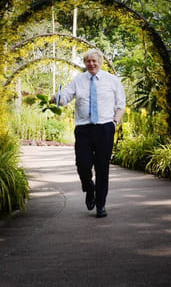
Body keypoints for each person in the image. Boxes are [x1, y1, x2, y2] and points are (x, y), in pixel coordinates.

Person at [52, 48, 125, 218]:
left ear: (100, 62)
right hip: (84, 129)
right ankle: (89, 188)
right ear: (84, 63)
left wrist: (114, 123)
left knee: (102, 168)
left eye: (94, 61)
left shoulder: (112, 80)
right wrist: (57, 98)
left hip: (105, 128)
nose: (91, 64)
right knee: (82, 165)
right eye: (88, 61)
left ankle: (100, 205)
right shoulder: (78, 80)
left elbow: (121, 104)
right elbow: (65, 97)